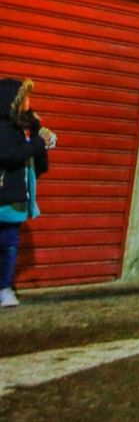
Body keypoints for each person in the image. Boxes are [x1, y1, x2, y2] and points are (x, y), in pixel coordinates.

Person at [0, 79, 54, 308]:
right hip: (5, 193)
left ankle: (4, 288)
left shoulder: (28, 124)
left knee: (10, 243)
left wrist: (44, 139)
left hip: (16, 196)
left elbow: (35, 155)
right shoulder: (3, 127)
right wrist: (39, 144)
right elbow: (9, 154)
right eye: (25, 97)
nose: (29, 102)